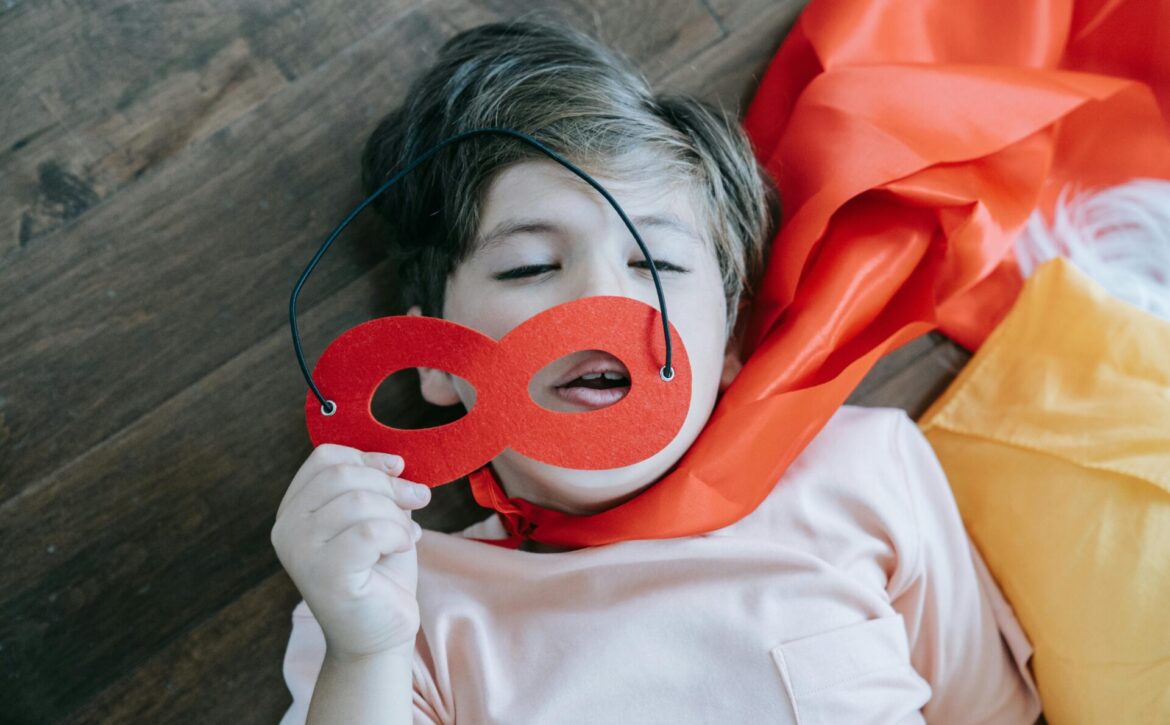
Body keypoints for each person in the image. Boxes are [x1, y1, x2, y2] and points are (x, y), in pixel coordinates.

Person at [271, 18, 1042, 724]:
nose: (602, 298)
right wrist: (365, 651)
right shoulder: (391, 603)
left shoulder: (863, 470)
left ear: (730, 342)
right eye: (529, 266)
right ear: (430, 360)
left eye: (658, 262)